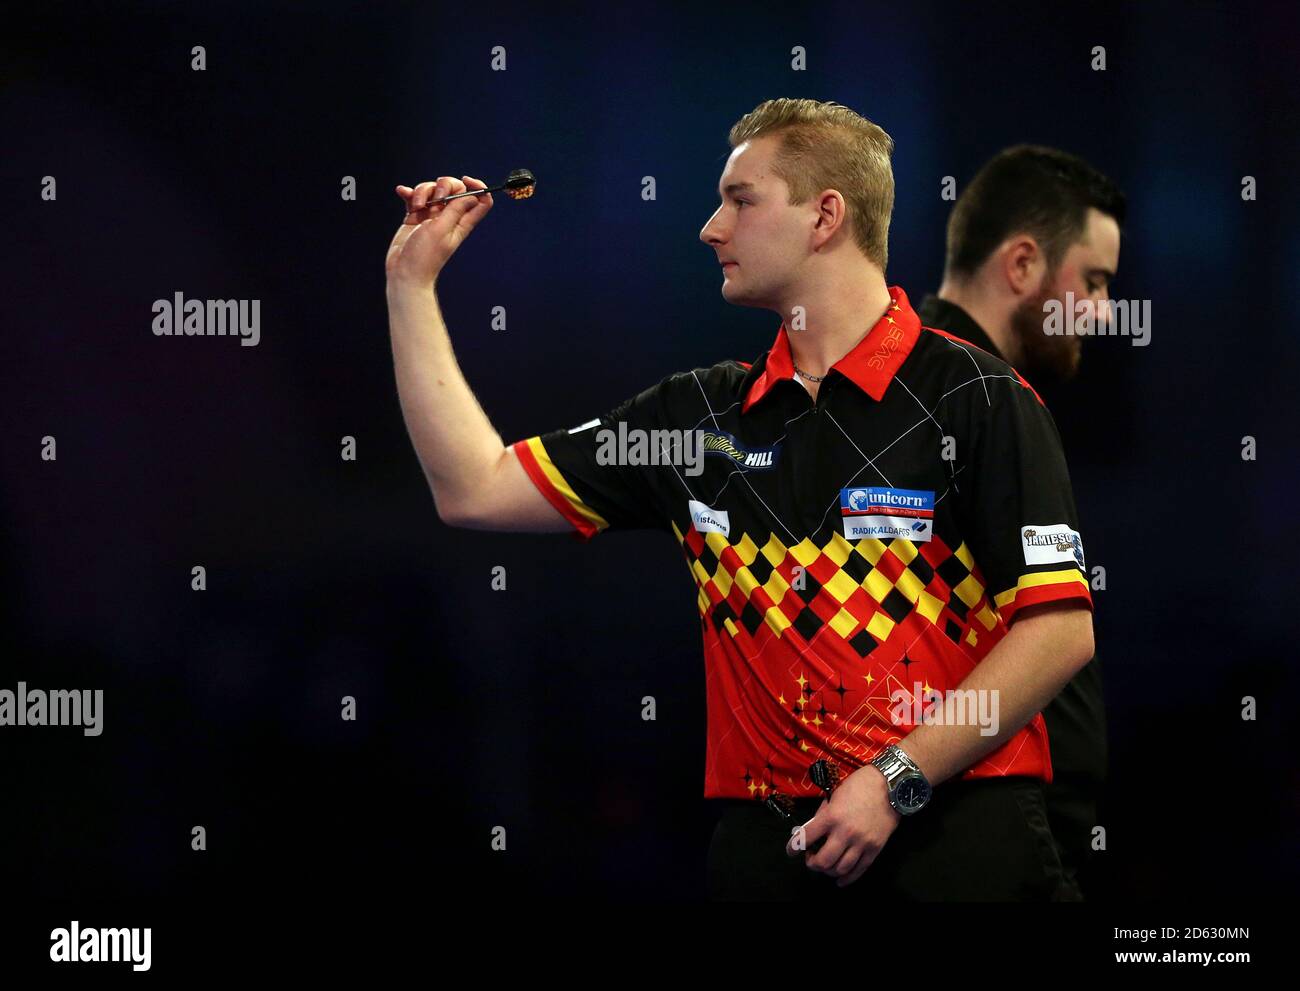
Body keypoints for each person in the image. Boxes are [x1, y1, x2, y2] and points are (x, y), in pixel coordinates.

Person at [385, 98, 1095, 901]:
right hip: (771, 852)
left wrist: (897, 777)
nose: (710, 228)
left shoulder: (979, 395)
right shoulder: (695, 419)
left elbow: (1060, 631)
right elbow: (471, 487)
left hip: (959, 840)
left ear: (826, 215)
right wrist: (409, 284)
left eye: (740, 199)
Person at [916, 146, 1125, 897]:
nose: (1103, 312)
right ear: (1024, 264)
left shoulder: (962, 391)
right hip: (984, 850)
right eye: (1094, 282)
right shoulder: (976, 394)